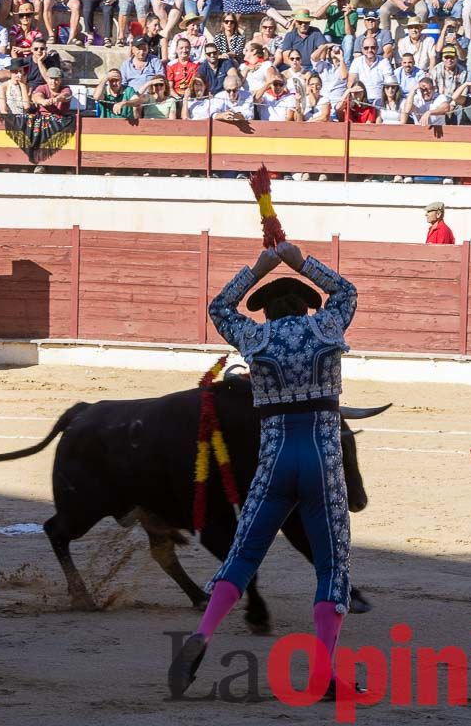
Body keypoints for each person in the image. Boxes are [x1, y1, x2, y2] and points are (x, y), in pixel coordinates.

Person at [169, 239, 358, 701]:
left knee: (244, 553)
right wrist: (298, 260)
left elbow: (219, 306)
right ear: (306, 307)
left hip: (273, 461)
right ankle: (323, 674)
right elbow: (347, 292)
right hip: (321, 458)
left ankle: (205, 633)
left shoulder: (254, 338)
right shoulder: (328, 325)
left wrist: (259, 266)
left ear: (267, 314)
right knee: (331, 565)